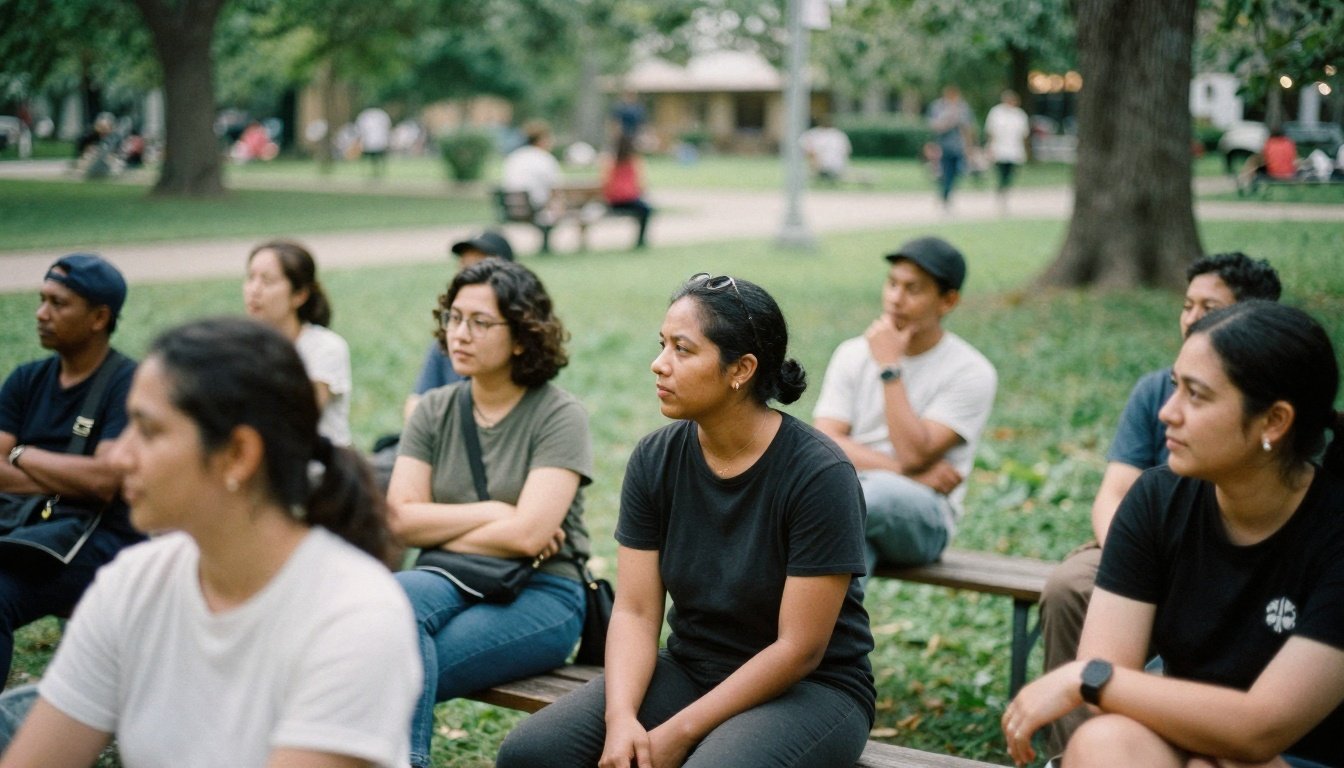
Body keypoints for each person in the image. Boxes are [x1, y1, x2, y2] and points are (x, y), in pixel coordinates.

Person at [0, 317, 421, 767]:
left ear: (238, 455)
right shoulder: (134, 584)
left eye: (148, 430)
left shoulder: (353, 616)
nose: (120, 456)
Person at [497, 273, 876, 768]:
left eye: (682, 349)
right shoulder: (656, 458)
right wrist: (622, 719)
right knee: (531, 754)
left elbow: (799, 649)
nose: (659, 364)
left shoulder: (819, 474)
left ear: (740, 369)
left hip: (812, 687)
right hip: (692, 667)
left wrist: (679, 731)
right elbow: (634, 611)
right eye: (662, 345)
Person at [1002, 300, 1344, 768]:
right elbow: (1108, 679)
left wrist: (1084, 676)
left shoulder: (1334, 531)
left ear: (1274, 421)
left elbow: (1261, 729)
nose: (1167, 412)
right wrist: (1094, 677)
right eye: (1173, 387)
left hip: (1302, 758)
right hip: (1182, 738)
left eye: (1196, 395)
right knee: (1103, 743)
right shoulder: (1157, 499)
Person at [1038, 251, 1284, 754]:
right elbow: (1115, 490)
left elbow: (1264, 727)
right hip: (1142, 538)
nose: (1192, 317)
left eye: (1209, 307)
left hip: (1211, 554)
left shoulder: (1310, 509)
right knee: (1070, 585)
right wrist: (1131, 556)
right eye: (1187, 303)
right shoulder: (1153, 397)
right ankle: (1071, 751)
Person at [388, 259, 593, 768]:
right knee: (387, 603)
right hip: (449, 574)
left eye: (480, 322)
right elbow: (398, 520)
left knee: (394, 662)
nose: (460, 333)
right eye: (454, 318)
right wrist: (495, 512)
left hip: (544, 590)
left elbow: (530, 538)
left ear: (522, 336)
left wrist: (442, 525)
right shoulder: (433, 410)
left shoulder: (558, 414)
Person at [0, 254, 141, 688]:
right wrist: (69, 474)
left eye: (58, 304)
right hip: (21, 526)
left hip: (100, 538)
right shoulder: (27, 380)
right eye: (42, 300)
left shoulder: (127, 383)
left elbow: (103, 483)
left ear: (99, 317)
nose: (42, 315)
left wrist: (21, 454)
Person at [814, 237, 997, 572]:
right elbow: (824, 445)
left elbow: (915, 453)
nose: (895, 299)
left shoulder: (971, 371)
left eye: (913, 289)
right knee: (847, 552)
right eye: (892, 283)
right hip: (851, 507)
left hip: (925, 518)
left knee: (859, 501)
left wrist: (889, 368)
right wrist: (908, 474)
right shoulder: (851, 354)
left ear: (948, 301)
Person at [243, 240, 352, 447]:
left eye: (267, 281)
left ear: (299, 295)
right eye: (250, 278)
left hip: (320, 471)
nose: (253, 290)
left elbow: (297, 420)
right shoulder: (243, 347)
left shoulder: (325, 347)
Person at [401, 230, 516, 424]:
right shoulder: (449, 340)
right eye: (464, 267)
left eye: (479, 267)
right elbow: (415, 405)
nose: (461, 335)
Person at [502, 119, 563, 223]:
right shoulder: (544, 158)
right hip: (535, 209)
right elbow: (555, 189)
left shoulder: (514, 157)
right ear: (542, 139)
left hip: (511, 209)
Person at [600, 134, 653, 250]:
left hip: (613, 201)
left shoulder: (611, 161)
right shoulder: (633, 162)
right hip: (629, 200)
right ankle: (641, 240)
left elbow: (605, 182)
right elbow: (641, 184)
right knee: (647, 210)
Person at [927, 85, 976, 208]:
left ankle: (946, 193)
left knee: (958, 171)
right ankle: (945, 195)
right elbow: (934, 126)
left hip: (959, 146)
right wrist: (949, 119)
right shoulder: (937, 107)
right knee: (945, 171)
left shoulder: (963, 107)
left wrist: (969, 147)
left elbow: (968, 129)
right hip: (943, 146)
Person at [984, 90, 1030, 210]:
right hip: (999, 149)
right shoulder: (996, 113)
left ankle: (1005, 192)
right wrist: (990, 148)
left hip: (1014, 150)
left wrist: (1025, 151)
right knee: (1001, 173)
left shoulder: (1020, 115)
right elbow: (990, 132)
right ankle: (1001, 192)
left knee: (1010, 174)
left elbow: (1024, 135)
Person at [800, 114, 853, 184]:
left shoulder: (813, 134)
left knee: (811, 154)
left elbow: (805, 149)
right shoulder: (840, 135)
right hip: (838, 168)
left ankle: (817, 174)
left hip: (822, 168)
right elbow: (847, 151)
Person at [356, 106, 392, 178]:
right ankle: (378, 173)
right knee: (378, 159)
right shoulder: (382, 114)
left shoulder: (364, 115)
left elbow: (359, 129)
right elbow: (388, 126)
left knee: (371, 159)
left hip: (370, 141)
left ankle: (369, 173)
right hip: (378, 141)